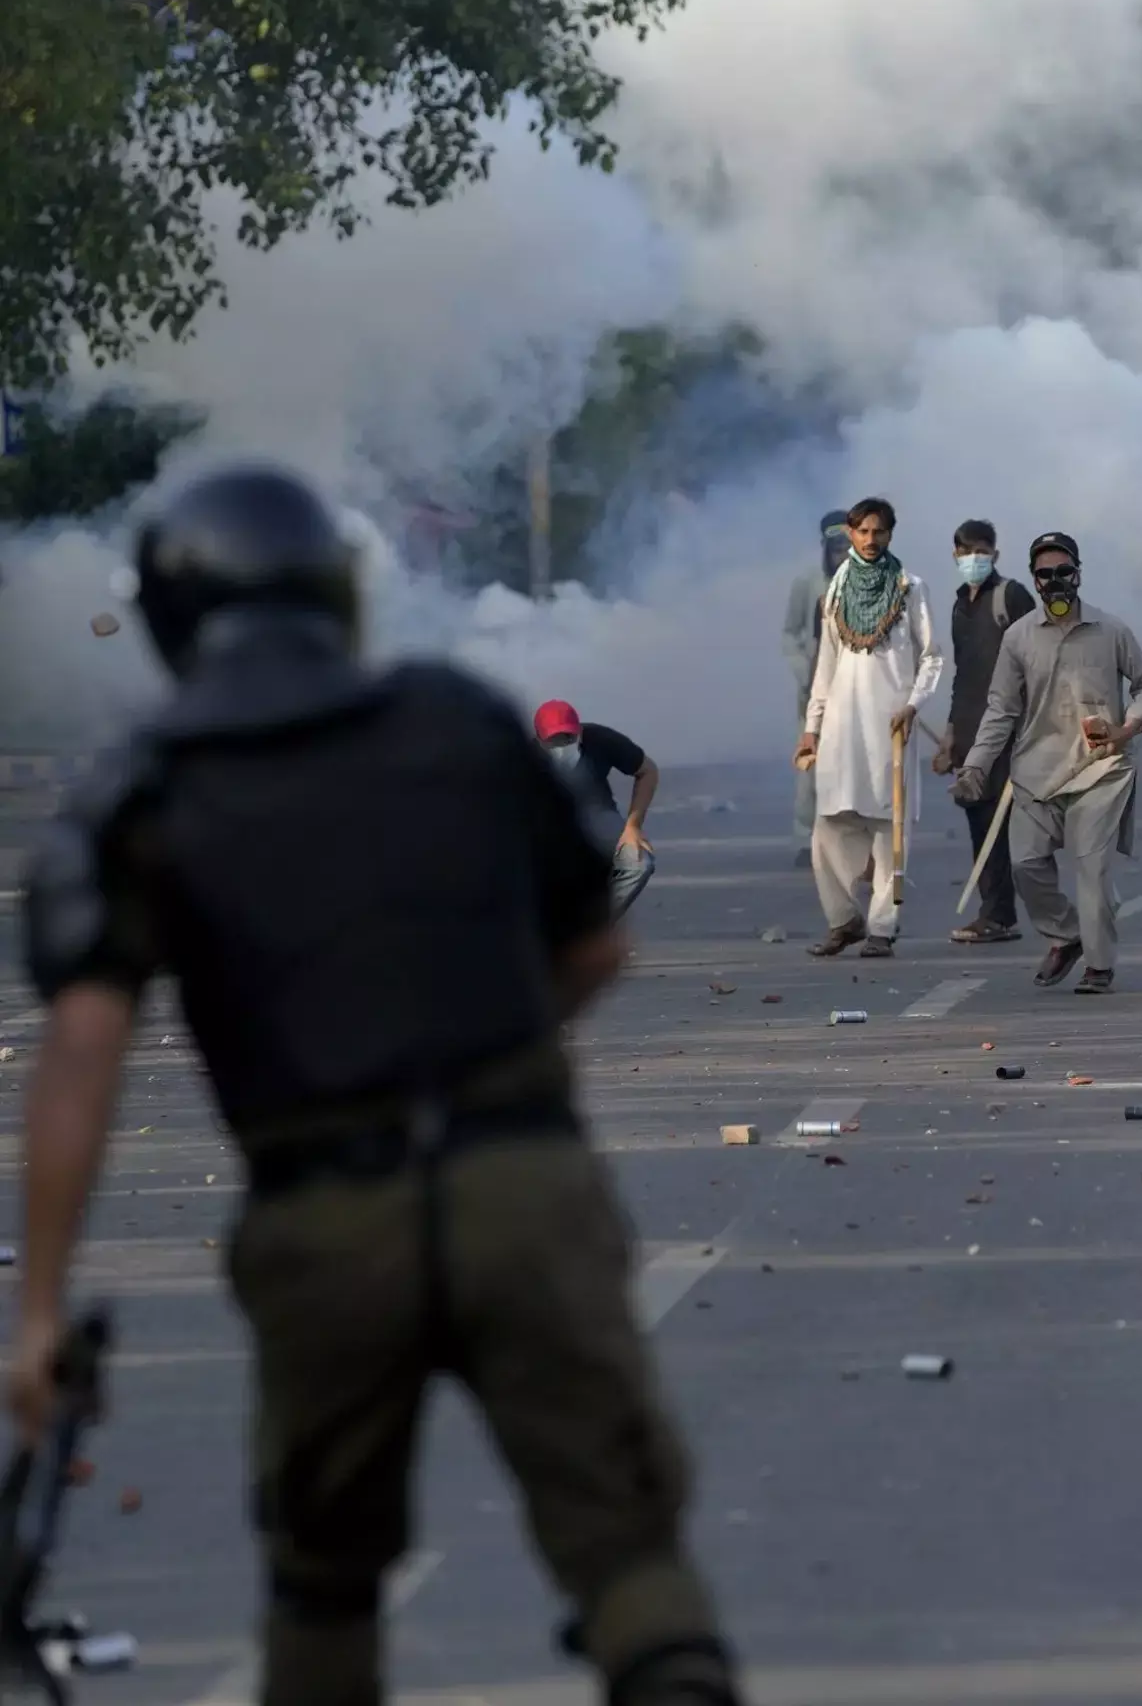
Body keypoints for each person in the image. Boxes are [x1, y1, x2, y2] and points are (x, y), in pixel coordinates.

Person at [13, 466, 741, 1706]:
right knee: (626, 1556)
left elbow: (82, 1052)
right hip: (523, 1184)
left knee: (323, 1588)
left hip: (323, 1217)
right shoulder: (458, 723)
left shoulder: (141, 784)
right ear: (337, 596)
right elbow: (597, 942)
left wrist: (36, 1312)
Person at [953, 533, 1142, 995]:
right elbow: (1000, 710)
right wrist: (974, 767)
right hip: (1036, 773)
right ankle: (1066, 935)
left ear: (1078, 575)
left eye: (1063, 572)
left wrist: (1126, 729)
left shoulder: (1111, 631)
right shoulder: (1018, 638)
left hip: (1101, 771)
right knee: (1026, 866)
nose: (1056, 582)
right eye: (1046, 575)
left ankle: (1099, 965)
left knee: (1092, 870)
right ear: (1034, 581)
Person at [795, 497, 943, 960]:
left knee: (888, 826)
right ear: (852, 534)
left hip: (890, 723)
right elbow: (826, 663)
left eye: (879, 532)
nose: (870, 540)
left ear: (891, 535)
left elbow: (933, 655)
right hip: (841, 723)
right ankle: (844, 920)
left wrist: (914, 704)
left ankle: (883, 926)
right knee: (828, 826)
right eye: (862, 532)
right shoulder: (836, 588)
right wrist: (811, 727)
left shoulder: (909, 586)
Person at [939, 519, 1035, 945]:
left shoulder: (1010, 597)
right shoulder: (961, 604)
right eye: (965, 551)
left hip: (1009, 729)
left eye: (980, 551)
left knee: (1002, 821)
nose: (972, 559)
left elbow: (1041, 656)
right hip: (970, 733)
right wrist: (949, 736)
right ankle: (997, 913)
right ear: (955, 555)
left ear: (995, 554)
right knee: (981, 820)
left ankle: (1000, 914)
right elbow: (962, 673)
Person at [533, 699, 658, 922]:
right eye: (554, 741)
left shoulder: (601, 740)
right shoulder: (523, 758)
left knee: (638, 863)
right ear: (540, 740)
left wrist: (633, 826)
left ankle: (591, 929)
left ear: (579, 732)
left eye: (568, 738)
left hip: (598, 817)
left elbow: (648, 770)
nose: (562, 747)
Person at [783, 510, 852, 863]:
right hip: (815, 693)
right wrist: (803, 671)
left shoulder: (873, 585)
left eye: (847, 547)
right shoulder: (808, 583)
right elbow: (790, 633)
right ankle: (804, 839)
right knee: (811, 768)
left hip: (857, 692)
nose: (842, 555)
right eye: (835, 547)